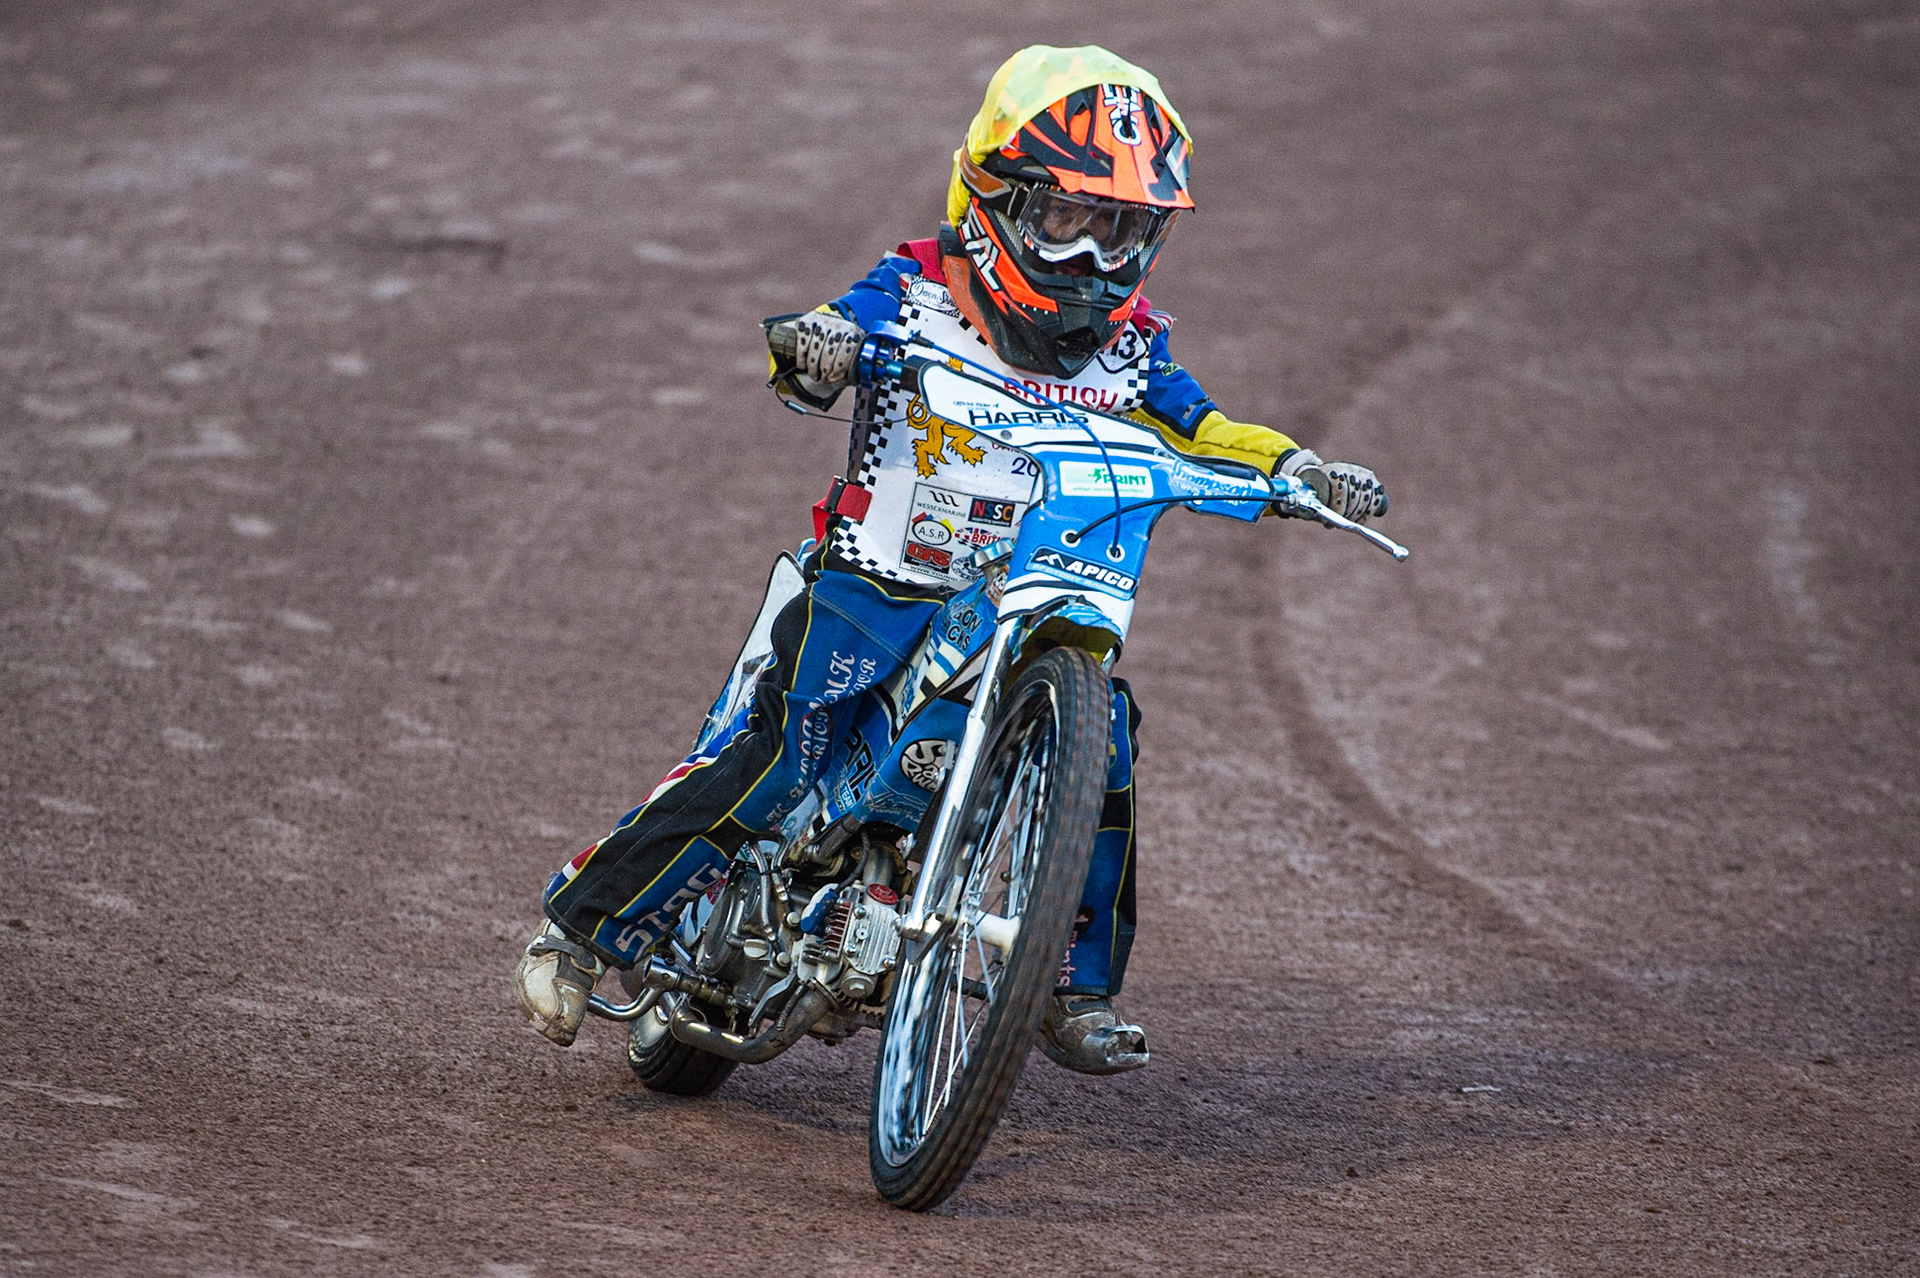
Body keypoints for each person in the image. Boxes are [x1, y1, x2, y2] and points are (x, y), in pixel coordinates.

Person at [512, 45, 1388, 1074]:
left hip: (1023, 595)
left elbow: (1206, 430)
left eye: (1123, 231)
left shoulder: (1132, 345)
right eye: (1067, 220)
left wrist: (1298, 468)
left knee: (1106, 737)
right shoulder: (918, 288)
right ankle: (580, 930)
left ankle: (1070, 987)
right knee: (785, 757)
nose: (1093, 261)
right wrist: (817, 347)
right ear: (993, 199)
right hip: (873, 587)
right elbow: (825, 337)